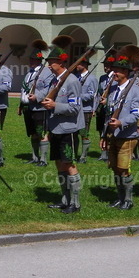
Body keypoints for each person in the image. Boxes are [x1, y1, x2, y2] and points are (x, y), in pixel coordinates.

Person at [40, 36, 84, 213]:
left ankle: (75, 202)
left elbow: (75, 107)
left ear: (61, 62)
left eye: (52, 62)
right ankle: (65, 198)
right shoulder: (54, 80)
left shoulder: (72, 81)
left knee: (70, 164)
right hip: (56, 127)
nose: (49, 65)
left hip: (69, 129)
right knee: (59, 164)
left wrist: (54, 105)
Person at [100, 45, 139, 210]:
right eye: (114, 70)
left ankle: (128, 200)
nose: (115, 73)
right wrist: (104, 136)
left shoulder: (136, 91)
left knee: (123, 168)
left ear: (126, 72)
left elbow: (135, 115)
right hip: (113, 135)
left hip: (127, 135)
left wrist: (121, 122)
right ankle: (120, 198)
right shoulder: (112, 91)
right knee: (114, 167)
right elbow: (108, 114)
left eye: (118, 70)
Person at [20, 39, 53, 166]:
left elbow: (49, 88)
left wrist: (38, 96)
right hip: (28, 108)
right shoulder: (29, 73)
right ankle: (34, 157)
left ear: (38, 60)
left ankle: (43, 159)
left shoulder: (46, 72)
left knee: (42, 133)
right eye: (30, 59)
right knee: (33, 133)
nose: (31, 61)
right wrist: (21, 105)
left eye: (33, 59)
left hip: (40, 108)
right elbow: (24, 88)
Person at [75, 56, 99, 163]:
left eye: (79, 64)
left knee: (84, 133)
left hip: (85, 110)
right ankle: (74, 154)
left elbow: (91, 95)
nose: (77, 66)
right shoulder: (75, 77)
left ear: (84, 65)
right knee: (74, 132)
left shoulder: (91, 78)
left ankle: (83, 156)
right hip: (75, 109)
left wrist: (77, 97)